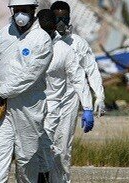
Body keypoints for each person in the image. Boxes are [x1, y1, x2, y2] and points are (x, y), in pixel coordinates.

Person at [0, 0, 53, 183]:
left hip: (28, 106)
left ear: (33, 11)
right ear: (12, 11)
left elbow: (29, 75)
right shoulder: (3, 35)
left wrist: (1, 93)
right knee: (0, 153)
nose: (21, 14)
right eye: (17, 10)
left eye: (26, 9)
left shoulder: (42, 39)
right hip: (2, 107)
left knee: (26, 157)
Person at [36, 10, 92, 183]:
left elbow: (78, 77)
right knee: (29, 154)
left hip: (54, 107)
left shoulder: (64, 50)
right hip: (30, 106)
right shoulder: (29, 45)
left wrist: (88, 107)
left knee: (53, 151)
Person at [50, 1, 106, 117]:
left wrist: (99, 96)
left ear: (69, 18)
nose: (61, 22)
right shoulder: (43, 42)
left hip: (70, 101)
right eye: (57, 18)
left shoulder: (78, 43)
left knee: (65, 135)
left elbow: (92, 70)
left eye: (64, 18)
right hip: (47, 99)